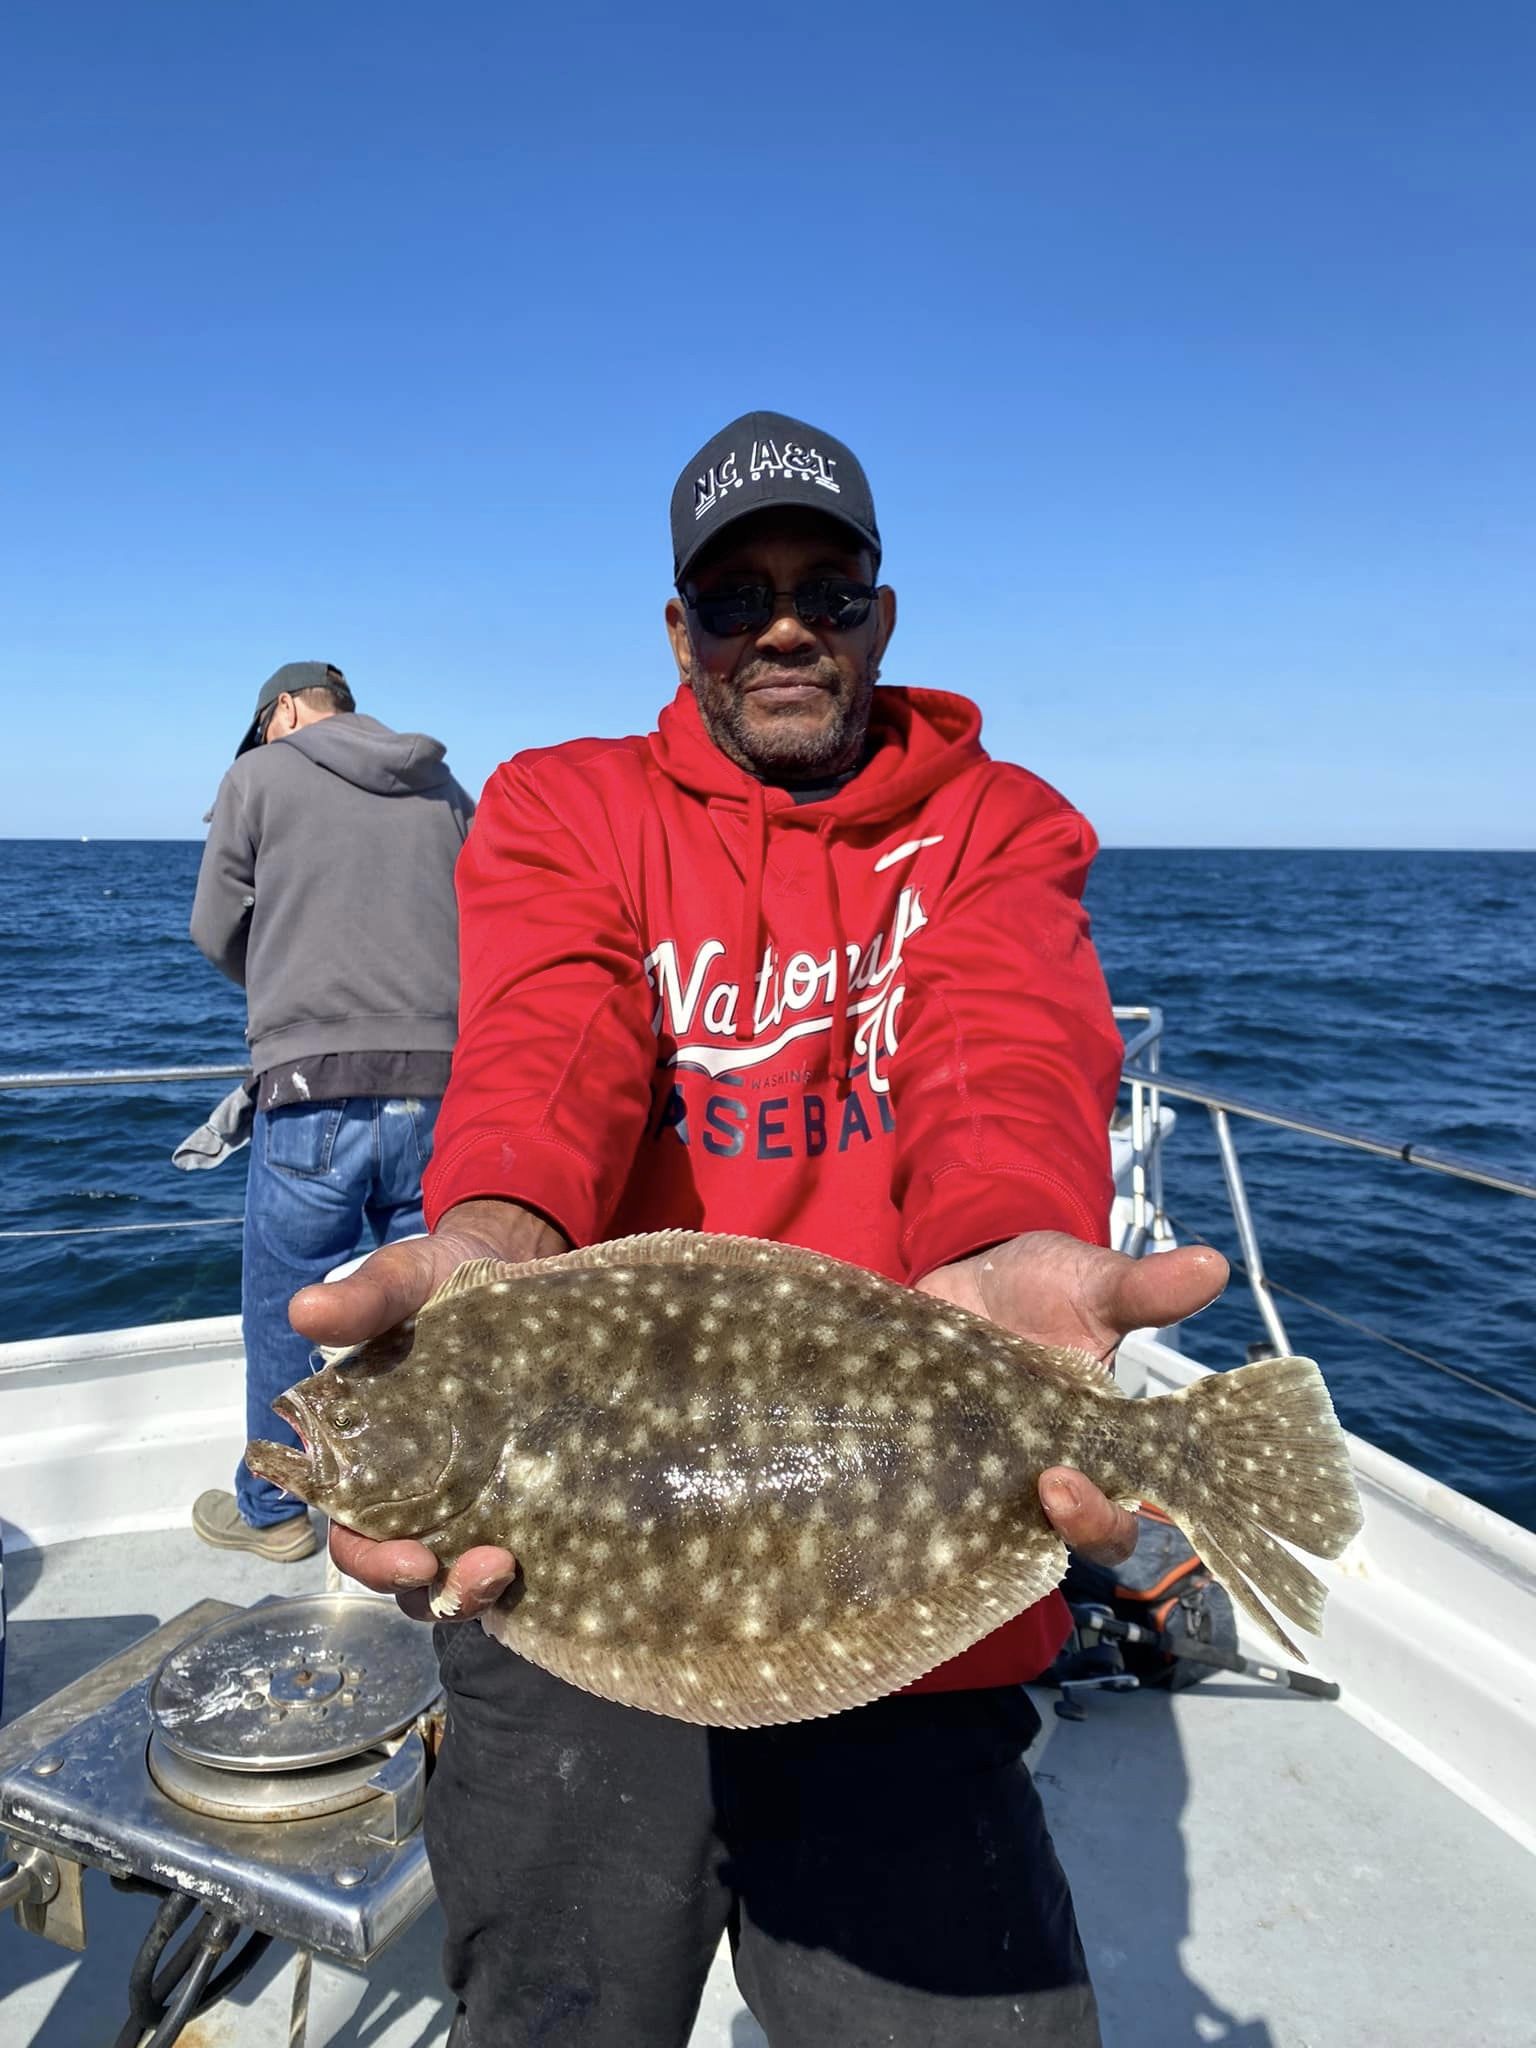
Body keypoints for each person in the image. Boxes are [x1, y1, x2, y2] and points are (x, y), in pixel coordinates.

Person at [294, 417, 1229, 2045]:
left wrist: (1011, 1234)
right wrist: (496, 1234)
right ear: (682, 631)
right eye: (737, 599)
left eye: (824, 591)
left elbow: (996, 1051)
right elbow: (554, 1046)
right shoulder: (565, 804)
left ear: (879, 614)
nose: (783, 627)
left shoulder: (997, 822)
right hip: (572, 1605)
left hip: (904, 1619)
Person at [190, 660, 475, 1561]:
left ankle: (275, 1510)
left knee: (292, 1307)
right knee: (424, 1313)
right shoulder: (443, 787)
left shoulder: (258, 775)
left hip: (311, 1088)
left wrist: (285, 984)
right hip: (440, 1085)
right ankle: (426, 1503)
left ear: (282, 711)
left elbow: (211, 928)